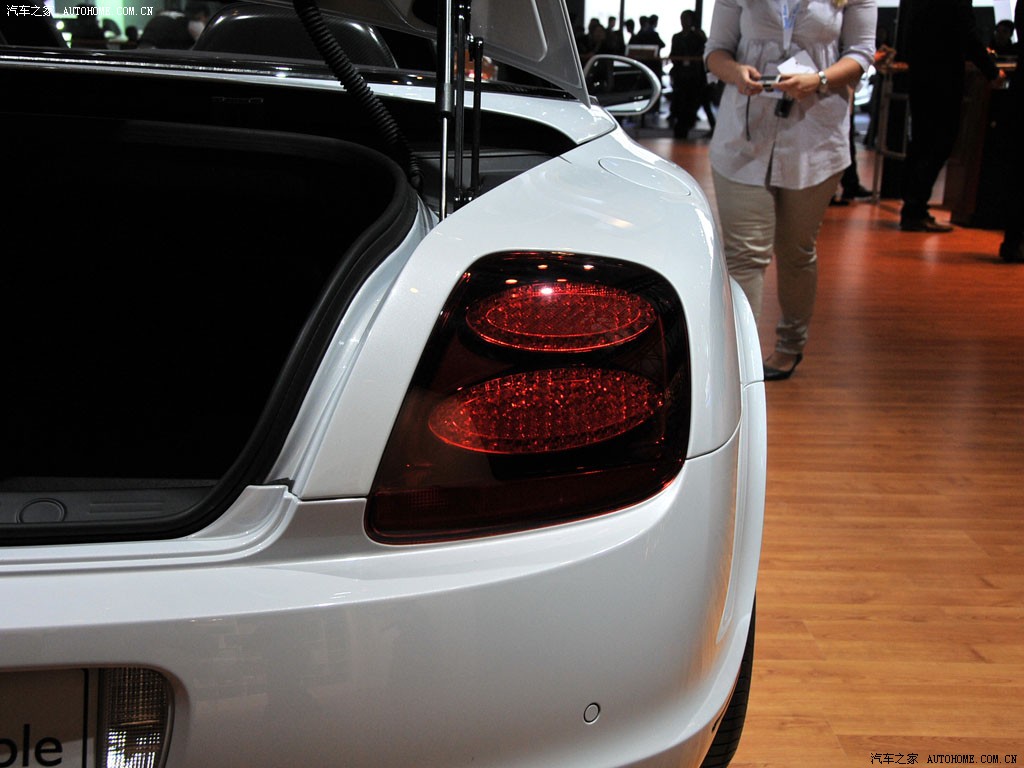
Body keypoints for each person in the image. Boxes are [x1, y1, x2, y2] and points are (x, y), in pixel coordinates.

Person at [705, 0, 876, 380]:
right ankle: (742, 361)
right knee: (745, 255)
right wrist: (735, 71)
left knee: (796, 251)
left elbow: (862, 53)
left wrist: (820, 79)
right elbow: (715, 51)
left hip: (815, 139)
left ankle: (790, 344)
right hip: (743, 137)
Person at [898, 0, 1000, 232]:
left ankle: (912, 207)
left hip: (921, 73)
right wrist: (991, 71)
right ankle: (916, 208)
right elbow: (967, 33)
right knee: (940, 142)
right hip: (944, 76)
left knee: (921, 142)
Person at [669, 11, 713, 138]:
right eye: (682, 19)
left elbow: (704, 51)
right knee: (680, 102)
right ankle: (680, 128)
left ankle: (688, 126)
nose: (684, 22)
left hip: (694, 76)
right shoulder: (677, 37)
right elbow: (673, 54)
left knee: (696, 102)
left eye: (686, 19)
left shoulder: (697, 37)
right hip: (680, 75)